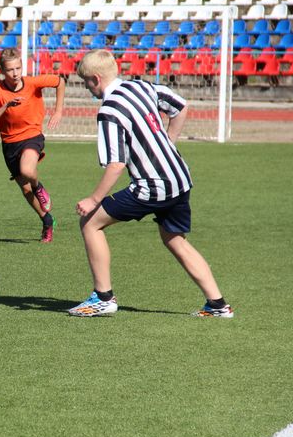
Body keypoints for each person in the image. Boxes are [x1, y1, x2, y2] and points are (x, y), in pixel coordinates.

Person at [69, 49, 233, 318]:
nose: (88, 88)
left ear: (96, 79)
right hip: (180, 177)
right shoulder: (139, 86)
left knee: (90, 222)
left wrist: (93, 199)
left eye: (87, 82)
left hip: (153, 186)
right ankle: (217, 304)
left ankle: (103, 297)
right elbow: (180, 106)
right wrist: (168, 142)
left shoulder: (109, 110)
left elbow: (116, 165)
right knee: (175, 239)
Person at [0, 48, 65, 243]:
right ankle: (47, 221)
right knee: (25, 190)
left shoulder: (33, 83)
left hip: (32, 135)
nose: (16, 73)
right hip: (10, 145)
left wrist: (58, 111)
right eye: (10, 69)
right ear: (3, 71)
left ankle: (39, 188)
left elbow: (60, 82)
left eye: (18, 68)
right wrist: (6, 106)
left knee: (27, 171)